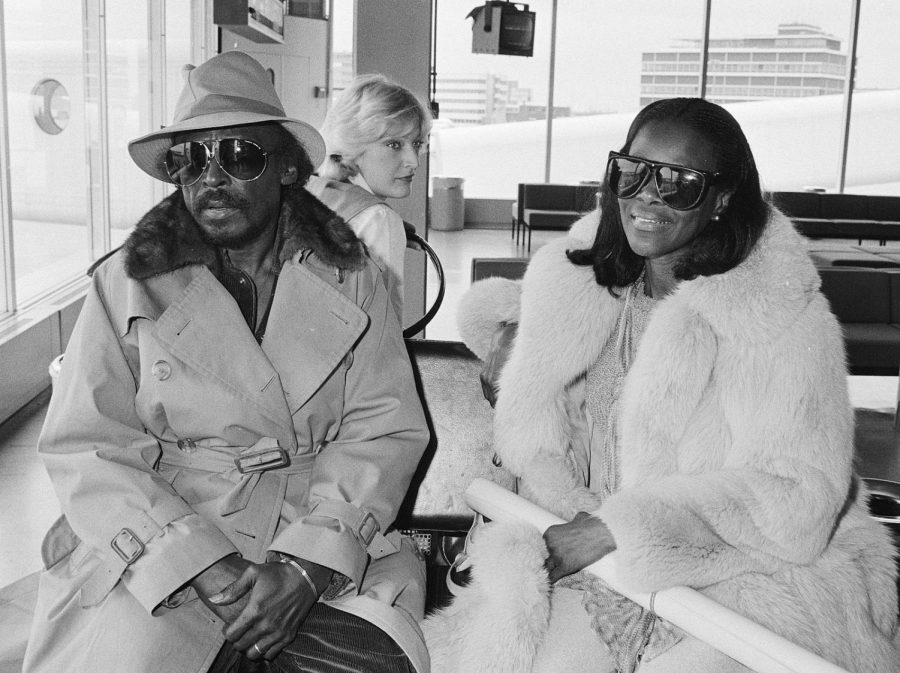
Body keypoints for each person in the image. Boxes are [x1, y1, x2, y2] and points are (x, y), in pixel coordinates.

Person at [426, 98, 899, 672]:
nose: (648, 195)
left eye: (679, 182)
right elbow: (543, 408)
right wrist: (514, 342)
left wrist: (617, 529)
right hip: (594, 568)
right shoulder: (580, 287)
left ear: (723, 198)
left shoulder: (776, 316)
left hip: (751, 579)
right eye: (634, 171)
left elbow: (796, 498)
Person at [21, 50, 430, 673]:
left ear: (288, 169)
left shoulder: (353, 279)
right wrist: (200, 564)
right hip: (166, 531)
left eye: (239, 155)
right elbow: (87, 444)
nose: (211, 177)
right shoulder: (124, 285)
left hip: (315, 525)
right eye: (191, 159)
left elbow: (384, 429)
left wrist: (305, 564)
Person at [305, 74, 432, 322]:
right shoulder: (379, 219)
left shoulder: (312, 189)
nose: (414, 161)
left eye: (416, 143)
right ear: (354, 144)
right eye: (394, 145)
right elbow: (386, 329)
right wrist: (385, 226)